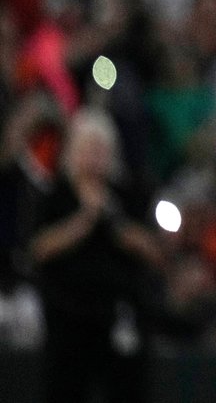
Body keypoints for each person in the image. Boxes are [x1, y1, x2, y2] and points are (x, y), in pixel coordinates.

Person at [29, 106, 164, 403]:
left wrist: (111, 217)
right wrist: (84, 219)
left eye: (101, 149)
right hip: (67, 316)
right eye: (88, 148)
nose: (94, 157)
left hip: (119, 314)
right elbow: (39, 248)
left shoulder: (129, 193)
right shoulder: (55, 195)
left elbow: (154, 251)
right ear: (72, 152)